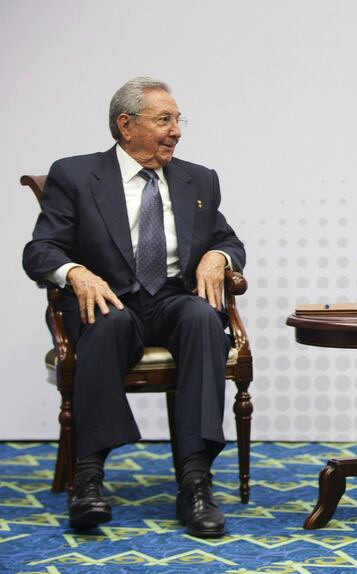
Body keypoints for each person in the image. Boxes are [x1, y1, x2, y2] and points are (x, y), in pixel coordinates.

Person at [23, 77, 245, 539]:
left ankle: (195, 483)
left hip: (170, 301)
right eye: (164, 119)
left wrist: (217, 256)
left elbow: (227, 238)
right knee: (107, 320)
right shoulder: (77, 175)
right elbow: (40, 250)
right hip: (107, 299)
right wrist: (75, 273)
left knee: (204, 317)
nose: (177, 130)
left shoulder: (197, 179)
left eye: (178, 120)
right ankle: (88, 478)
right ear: (126, 125)